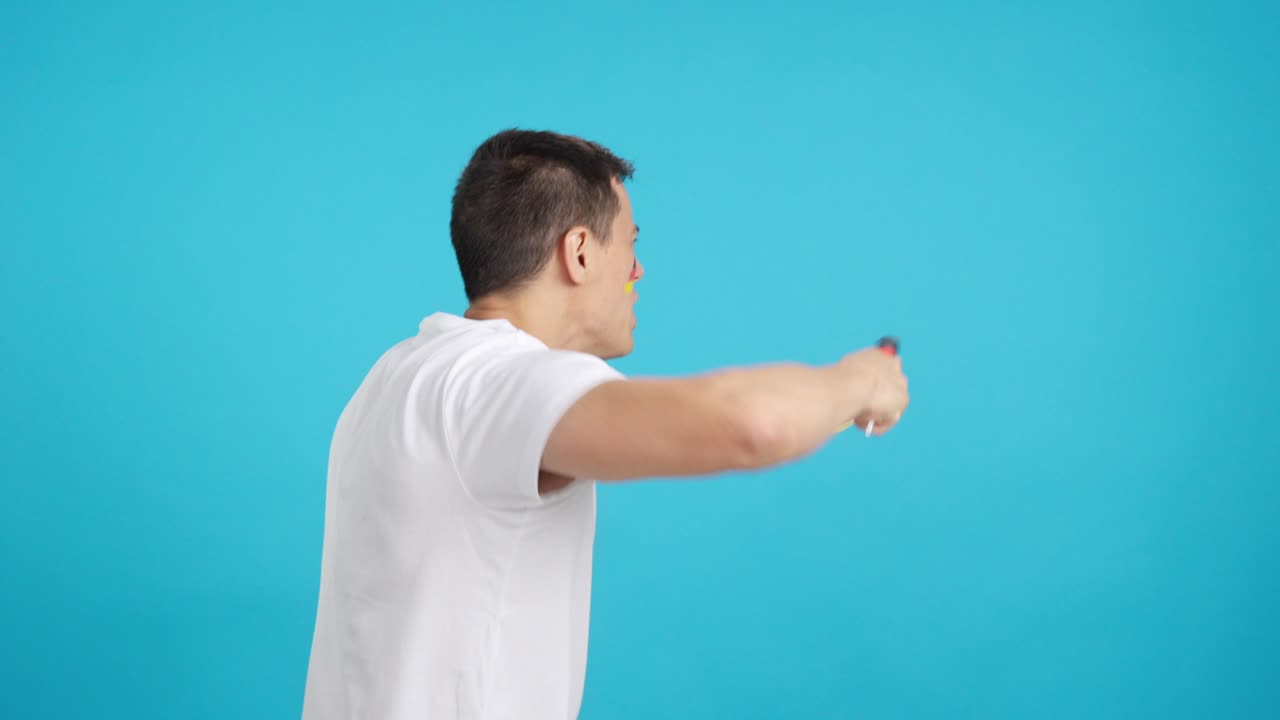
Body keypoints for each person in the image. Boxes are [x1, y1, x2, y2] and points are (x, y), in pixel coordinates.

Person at [300, 129, 910, 719]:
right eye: (631, 245)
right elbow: (753, 424)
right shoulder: (504, 381)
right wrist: (860, 382)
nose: (639, 272)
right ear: (582, 251)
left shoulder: (394, 378)